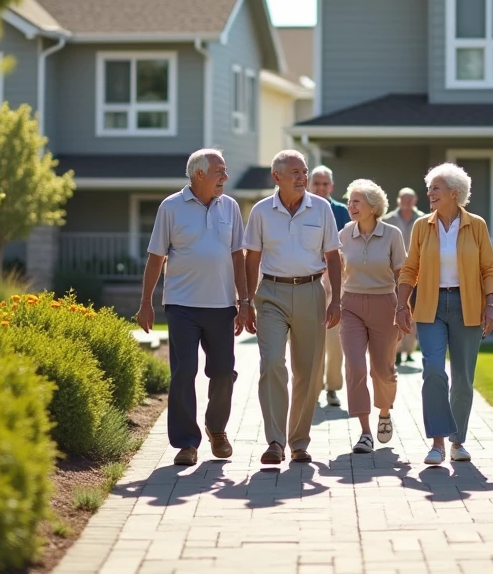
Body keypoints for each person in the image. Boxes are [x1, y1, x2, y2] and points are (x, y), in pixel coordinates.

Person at [137, 149, 248, 466]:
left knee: (224, 372)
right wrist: (146, 302)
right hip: (181, 304)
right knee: (184, 371)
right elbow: (156, 256)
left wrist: (245, 301)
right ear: (199, 174)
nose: (225, 178)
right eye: (220, 172)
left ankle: (216, 429)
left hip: (222, 304)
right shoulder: (171, 207)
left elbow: (237, 255)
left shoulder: (230, 207)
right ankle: (186, 443)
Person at [242, 150, 342, 464]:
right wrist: (246, 302)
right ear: (277, 177)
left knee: (309, 372)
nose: (302, 178)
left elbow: (333, 256)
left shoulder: (322, 208)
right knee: (272, 362)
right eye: (295, 173)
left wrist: (336, 299)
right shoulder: (260, 211)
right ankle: (275, 441)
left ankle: (299, 441)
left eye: (304, 172)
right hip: (271, 293)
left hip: (312, 291)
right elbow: (252, 258)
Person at [396, 163, 493, 466]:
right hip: (430, 306)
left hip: (469, 306)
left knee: (463, 379)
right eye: (429, 189)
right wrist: (401, 305)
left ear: (455, 193)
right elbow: (410, 268)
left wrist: (490, 304)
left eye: (435, 189)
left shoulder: (476, 225)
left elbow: (488, 269)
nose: (429, 194)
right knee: (433, 371)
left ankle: (458, 443)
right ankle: (437, 443)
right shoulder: (421, 226)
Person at [337, 179, 407, 454]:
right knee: (355, 366)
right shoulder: (344, 233)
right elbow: (335, 270)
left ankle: (385, 412)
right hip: (350, 305)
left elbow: (403, 273)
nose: (350, 206)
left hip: (385, 305)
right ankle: (365, 432)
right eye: (349, 200)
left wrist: (404, 306)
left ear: (373, 206)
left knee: (383, 370)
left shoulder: (392, 234)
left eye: (357, 201)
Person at [308, 165, 350, 408]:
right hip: (309, 280)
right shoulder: (303, 208)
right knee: (313, 339)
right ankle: (312, 388)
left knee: (335, 339)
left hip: (336, 282)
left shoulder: (341, 211)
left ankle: (332, 388)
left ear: (331, 186)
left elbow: (345, 246)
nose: (321, 187)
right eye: (317, 183)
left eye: (325, 184)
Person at [383, 187, 427, 364]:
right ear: (398, 200)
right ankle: (397, 350)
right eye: (404, 198)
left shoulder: (423, 219)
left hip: (419, 272)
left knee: (414, 311)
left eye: (410, 198)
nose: (407, 202)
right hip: (394, 272)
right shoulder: (388, 220)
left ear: (415, 200)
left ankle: (409, 349)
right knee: (396, 308)